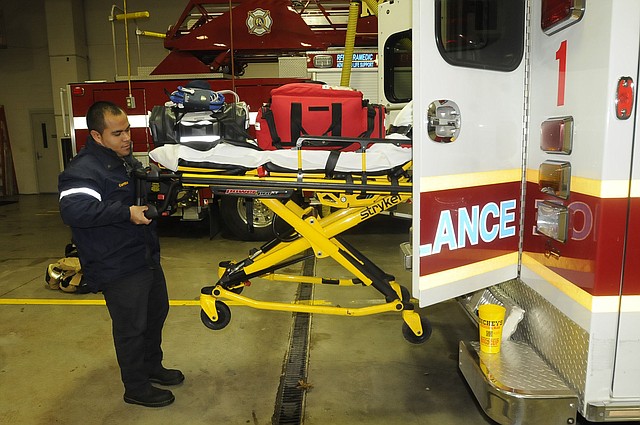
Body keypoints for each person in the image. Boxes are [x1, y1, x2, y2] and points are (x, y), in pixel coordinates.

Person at [58, 101, 184, 407]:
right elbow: (73, 209)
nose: (127, 137)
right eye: (117, 133)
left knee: (156, 313)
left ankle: (152, 366)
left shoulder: (121, 161)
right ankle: (136, 386)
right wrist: (126, 212)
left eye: (127, 129)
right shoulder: (84, 169)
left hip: (143, 255)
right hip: (116, 262)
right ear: (97, 136)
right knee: (131, 327)